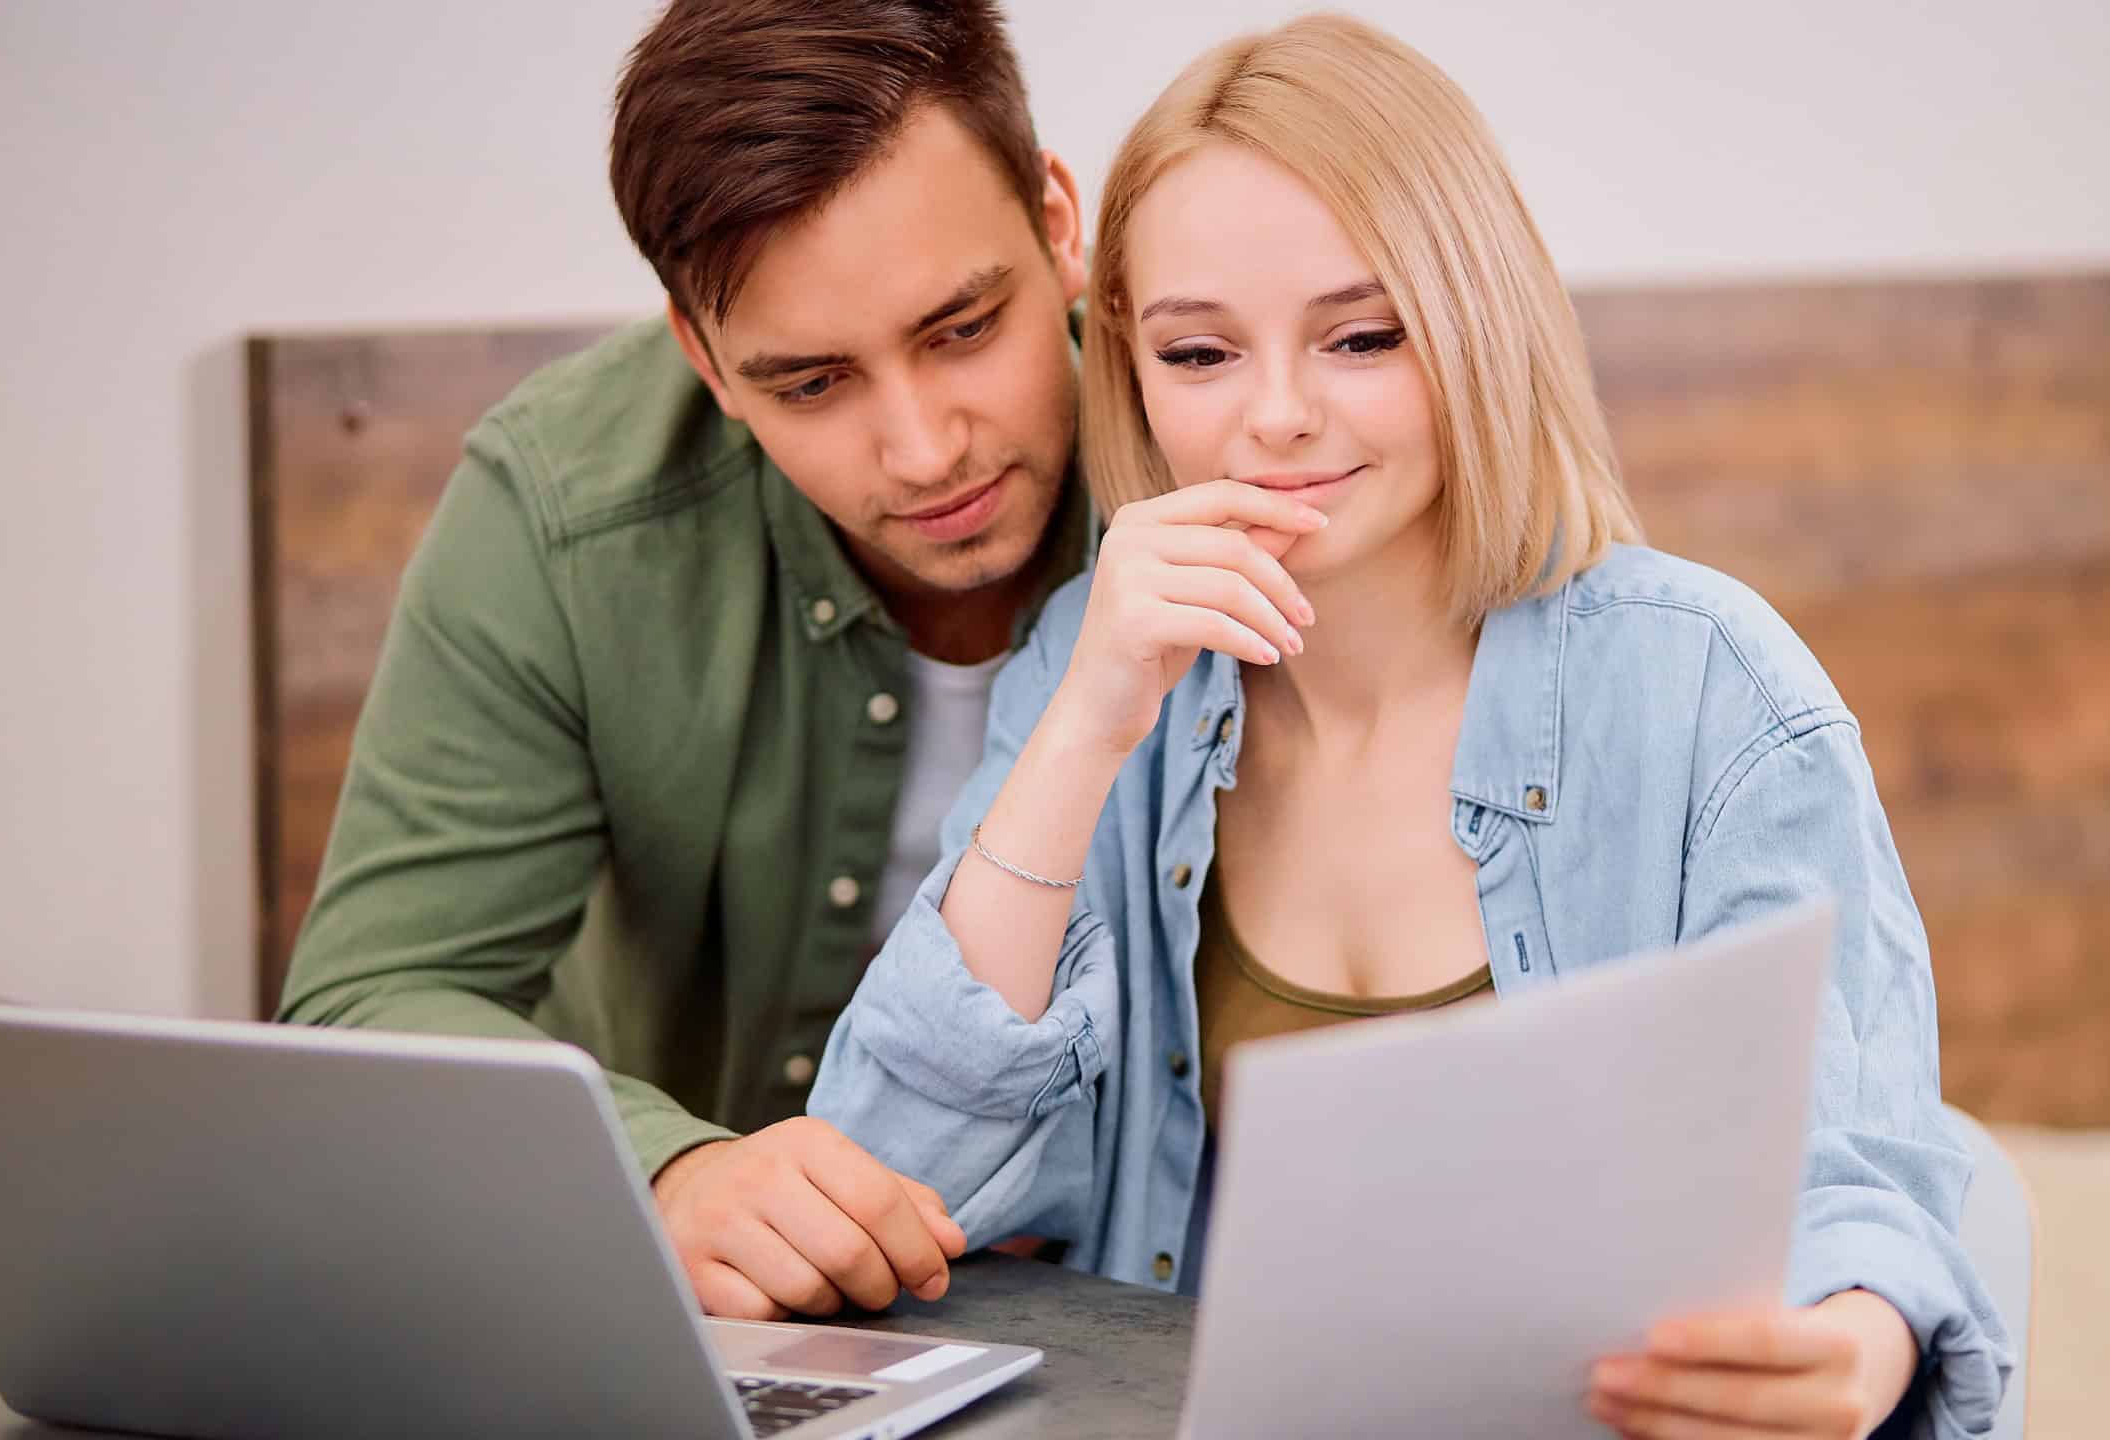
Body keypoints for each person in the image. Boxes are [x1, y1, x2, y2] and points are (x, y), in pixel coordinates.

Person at [807, 13, 2014, 1438]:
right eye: (1200, 355)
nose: (1277, 418)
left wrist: (1854, 1341)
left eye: (1362, 336)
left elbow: (1861, 1181)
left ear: (1475, 321)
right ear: (1129, 365)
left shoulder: (1710, 688)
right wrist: (1083, 731)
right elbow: (886, 1186)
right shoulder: (1091, 667)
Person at [276, 0, 1095, 1324]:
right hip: (728, 1334)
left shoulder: (1236, 422)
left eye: (962, 329)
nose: (924, 450)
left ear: (1059, 224)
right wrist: (666, 1172)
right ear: (705, 360)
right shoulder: (565, 508)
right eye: (812, 384)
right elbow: (370, 999)